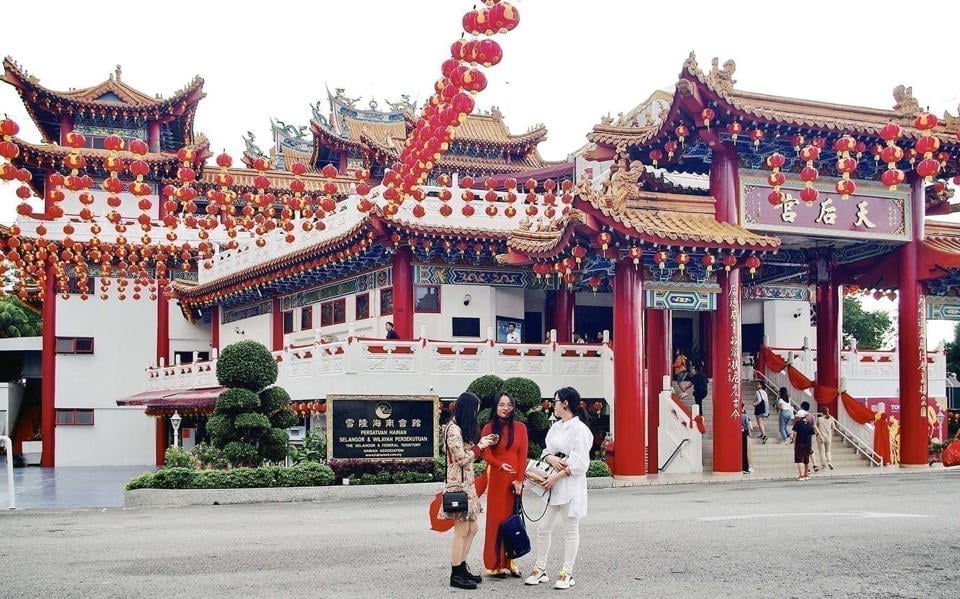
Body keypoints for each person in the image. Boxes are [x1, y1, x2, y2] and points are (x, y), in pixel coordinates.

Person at [524, 387, 593, 590]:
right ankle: (540, 568)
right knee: (543, 528)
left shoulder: (580, 430)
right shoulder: (556, 427)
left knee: (570, 529)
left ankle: (566, 572)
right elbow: (547, 450)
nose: (552, 405)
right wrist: (550, 458)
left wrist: (557, 476)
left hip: (569, 485)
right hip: (552, 484)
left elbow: (581, 464)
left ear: (565, 403)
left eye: (555, 401)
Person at [439, 392, 499, 590]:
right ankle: (456, 573)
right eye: (475, 410)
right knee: (462, 529)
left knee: (472, 528)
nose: (476, 414)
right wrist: (480, 446)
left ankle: (462, 567)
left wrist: (483, 442)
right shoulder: (453, 429)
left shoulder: (458, 428)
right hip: (458, 486)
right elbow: (462, 459)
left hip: (467, 485)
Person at [479, 391, 528, 578]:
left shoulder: (521, 427)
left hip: (515, 480)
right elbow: (485, 454)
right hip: (498, 479)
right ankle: (493, 564)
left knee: (513, 522)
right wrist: (500, 465)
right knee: (496, 522)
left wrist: (519, 480)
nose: (505, 408)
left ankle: (511, 561)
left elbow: (522, 455)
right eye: (501, 404)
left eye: (509, 404)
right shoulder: (489, 428)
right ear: (495, 406)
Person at [791, 400, 816, 480]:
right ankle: (806, 475)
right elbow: (812, 435)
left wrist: (794, 442)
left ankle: (801, 475)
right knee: (806, 460)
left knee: (799, 460)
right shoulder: (809, 425)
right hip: (808, 444)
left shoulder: (798, 424)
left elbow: (794, 434)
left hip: (799, 443)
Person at [741, 402, 753, 473]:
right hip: (744, 434)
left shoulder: (735, 416)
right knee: (745, 451)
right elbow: (750, 427)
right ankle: (746, 467)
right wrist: (749, 433)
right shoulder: (745, 416)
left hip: (737, 435)